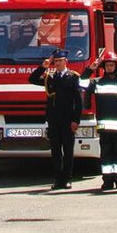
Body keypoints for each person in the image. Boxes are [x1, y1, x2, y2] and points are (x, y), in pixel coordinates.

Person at [28, 49, 82, 190]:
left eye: (60, 61)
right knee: (55, 151)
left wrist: (76, 120)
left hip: (68, 119)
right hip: (54, 120)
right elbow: (32, 79)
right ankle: (58, 179)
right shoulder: (49, 77)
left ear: (66, 62)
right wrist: (43, 67)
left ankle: (68, 179)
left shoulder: (73, 77)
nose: (57, 63)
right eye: (56, 61)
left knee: (68, 150)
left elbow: (78, 101)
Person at [83, 51, 117, 190]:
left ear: (116, 66)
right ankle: (107, 181)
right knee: (105, 154)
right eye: (107, 65)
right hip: (104, 127)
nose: (109, 67)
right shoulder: (96, 82)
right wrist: (90, 69)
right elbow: (81, 83)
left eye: (112, 65)